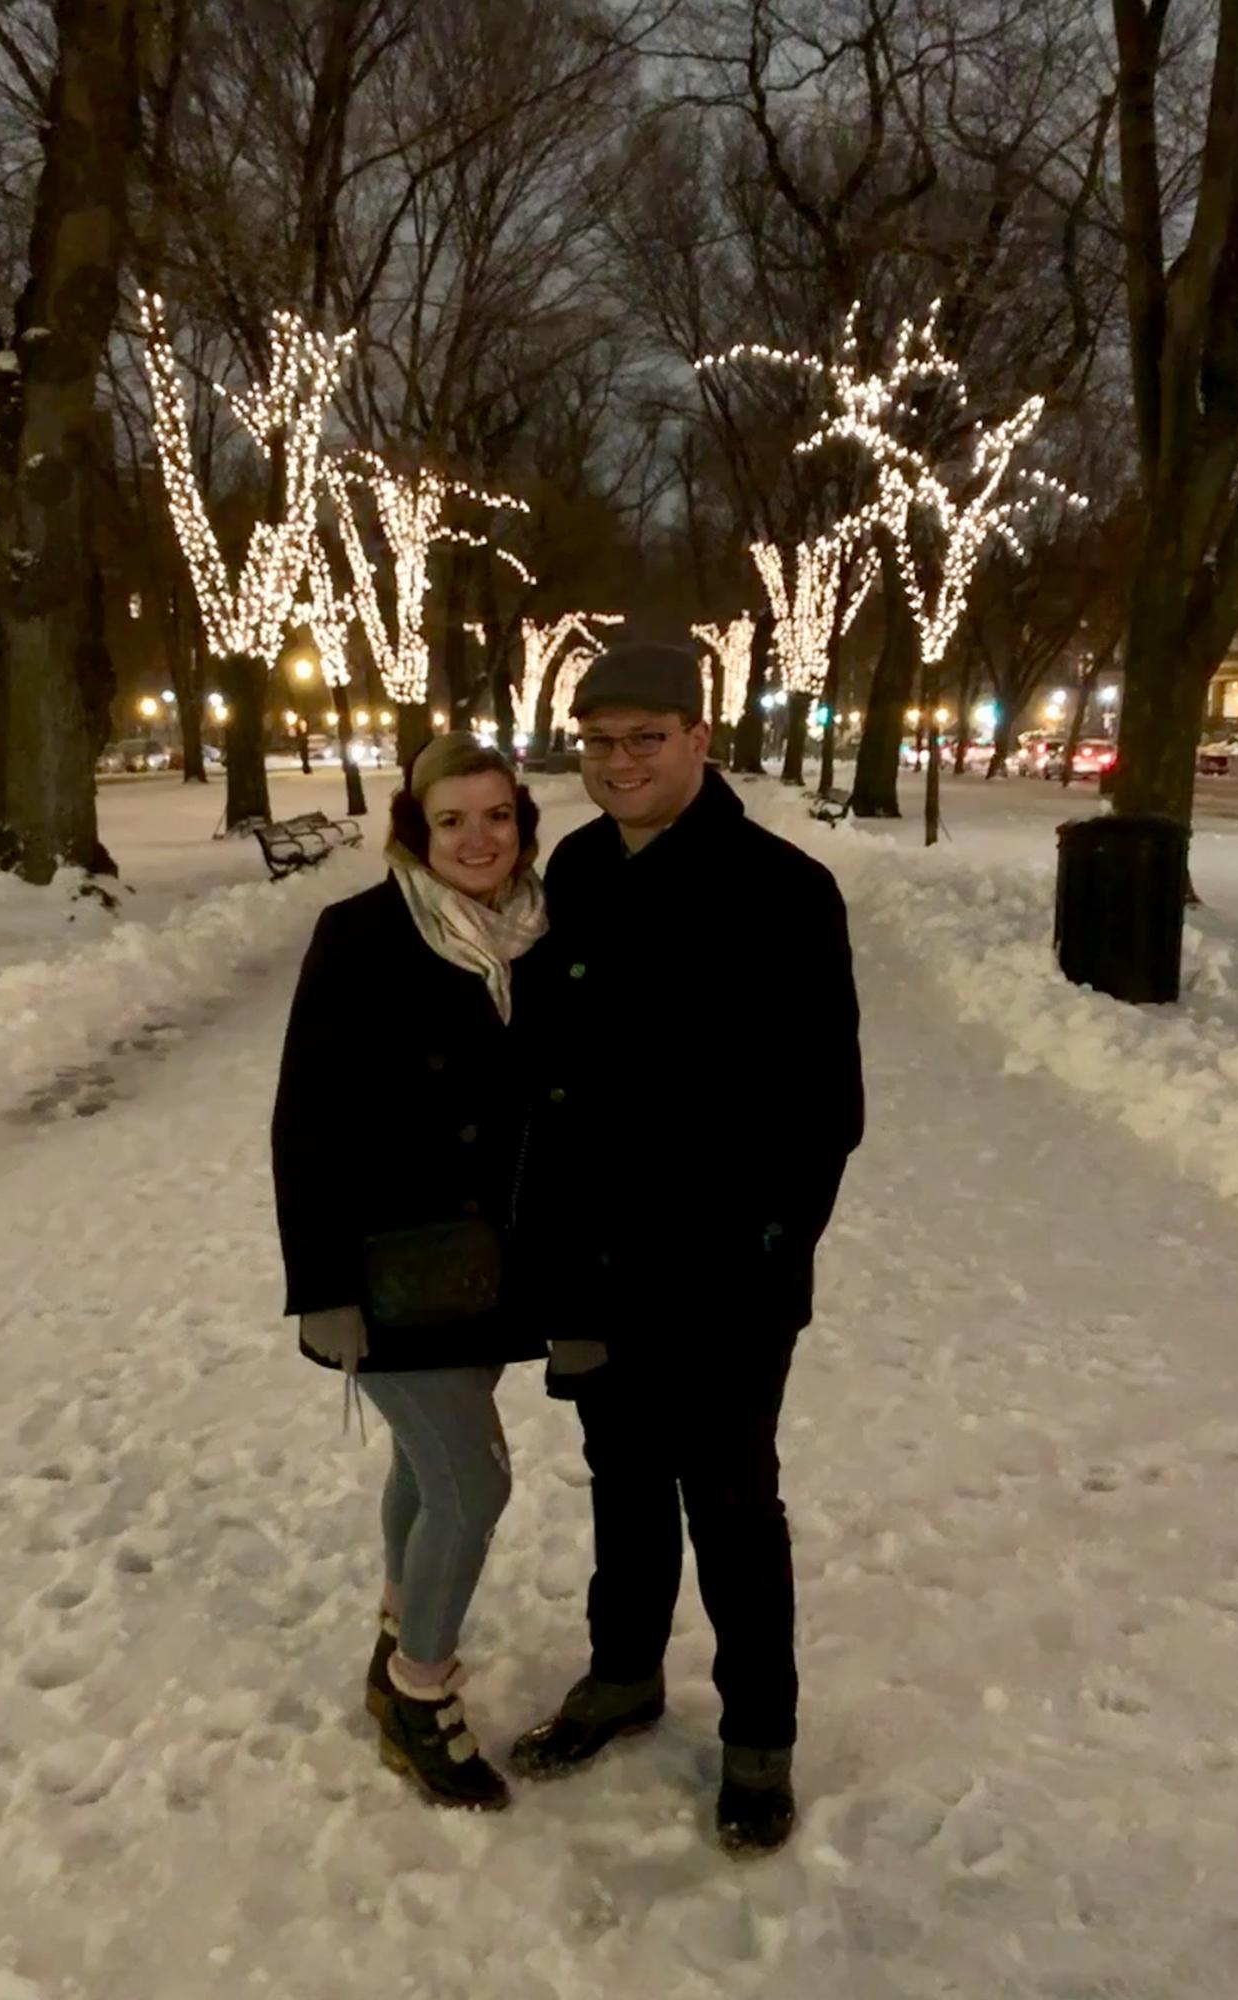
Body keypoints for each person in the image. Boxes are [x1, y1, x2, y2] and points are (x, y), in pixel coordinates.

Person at [508, 642, 864, 1856]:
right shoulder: (576, 866)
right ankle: (623, 1674)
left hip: (725, 1270)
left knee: (729, 1498)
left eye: (643, 737)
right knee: (620, 1478)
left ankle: (759, 1736)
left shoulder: (781, 887)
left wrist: (771, 1244)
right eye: (598, 740)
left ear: (697, 736)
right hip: (599, 1256)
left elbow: (826, 1102)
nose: (618, 761)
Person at [271, 735, 548, 1812]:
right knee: (473, 1482)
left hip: (484, 1268)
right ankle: (416, 1689)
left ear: (521, 821)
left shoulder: (538, 931)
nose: (477, 838)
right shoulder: (360, 935)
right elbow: (305, 1121)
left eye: (497, 816)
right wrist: (323, 1288)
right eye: (452, 820)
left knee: (427, 1471)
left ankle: (398, 1613)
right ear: (414, 829)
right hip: (385, 1270)